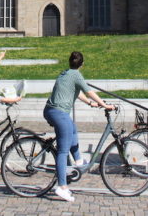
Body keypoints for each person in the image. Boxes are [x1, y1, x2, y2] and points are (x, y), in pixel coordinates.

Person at [43, 51, 112, 202]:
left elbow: (77, 92)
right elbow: (89, 91)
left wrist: (90, 103)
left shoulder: (66, 73)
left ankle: (78, 161)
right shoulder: (76, 75)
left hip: (52, 110)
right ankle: (62, 187)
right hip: (59, 113)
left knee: (72, 128)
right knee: (62, 151)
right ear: (82, 64)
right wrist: (104, 104)